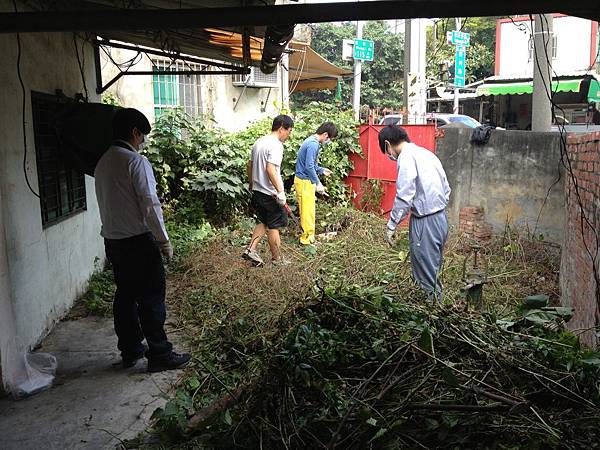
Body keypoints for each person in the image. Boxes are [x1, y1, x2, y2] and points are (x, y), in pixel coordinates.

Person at [94, 108, 191, 372]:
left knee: (125, 296)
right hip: (138, 243)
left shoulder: (103, 161)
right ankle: (160, 354)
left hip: (113, 242)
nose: (143, 142)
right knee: (151, 298)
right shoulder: (135, 162)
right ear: (135, 132)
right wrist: (164, 241)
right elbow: (150, 206)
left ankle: (131, 349)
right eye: (142, 136)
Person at [380, 125, 451, 302]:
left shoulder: (406, 158)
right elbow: (447, 188)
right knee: (433, 268)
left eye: (386, 151)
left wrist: (392, 225)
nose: (389, 156)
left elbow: (404, 196)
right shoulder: (426, 154)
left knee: (425, 274)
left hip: (425, 222)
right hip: (441, 218)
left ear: (388, 144)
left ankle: (431, 316)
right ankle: (437, 306)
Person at [243, 115, 294, 266]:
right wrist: (280, 192)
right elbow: (270, 169)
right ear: (281, 128)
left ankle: (251, 250)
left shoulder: (259, 142)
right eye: (289, 131)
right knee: (274, 226)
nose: (288, 135)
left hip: (258, 191)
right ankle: (277, 260)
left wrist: (252, 183)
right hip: (270, 193)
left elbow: (249, 165)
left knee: (263, 222)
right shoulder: (276, 145)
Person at [294, 122, 337, 245]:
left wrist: (322, 170)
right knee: (307, 212)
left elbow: (312, 165)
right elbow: (308, 166)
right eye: (329, 139)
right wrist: (318, 183)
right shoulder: (313, 144)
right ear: (325, 134)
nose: (328, 142)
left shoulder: (312, 141)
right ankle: (306, 240)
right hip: (304, 182)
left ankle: (309, 237)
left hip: (305, 181)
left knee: (309, 211)